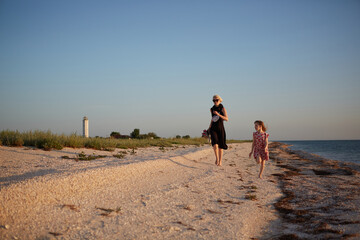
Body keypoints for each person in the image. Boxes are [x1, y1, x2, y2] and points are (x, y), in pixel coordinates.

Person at [208, 95, 228, 166]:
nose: (215, 102)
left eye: (216, 100)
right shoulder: (212, 109)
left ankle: (220, 161)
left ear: (219, 100)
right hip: (213, 128)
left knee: (220, 146)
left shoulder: (222, 108)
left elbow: (226, 119)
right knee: (215, 144)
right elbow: (212, 119)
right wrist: (209, 127)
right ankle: (217, 158)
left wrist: (219, 115)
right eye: (213, 100)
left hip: (220, 128)